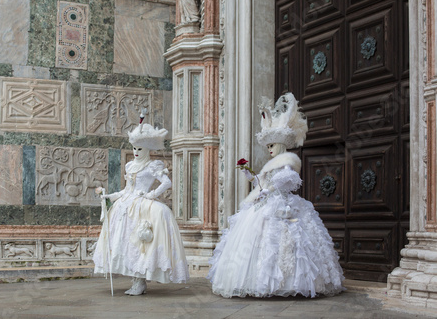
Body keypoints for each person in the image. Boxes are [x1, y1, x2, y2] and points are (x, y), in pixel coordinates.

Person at [207, 92, 344, 298]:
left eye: (272, 146)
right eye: (268, 146)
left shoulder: (287, 160)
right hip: (265, 204)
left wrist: (271, 189)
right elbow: (262, 182)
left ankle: (287, 282)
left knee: (288, 242)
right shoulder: (271, 164)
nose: (269, 150)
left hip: (282, 204)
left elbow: (289, 179)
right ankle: (262, 281)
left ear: (279, 144)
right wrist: (249, 174)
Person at [93, 116, 189, 296]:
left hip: (141, 206)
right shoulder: (130, 166)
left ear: (146, 150)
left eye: (140, 149)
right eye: (134, 148)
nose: (136, 152)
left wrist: (151, 195)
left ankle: (141, 281)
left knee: (141, 243)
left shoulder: (152, 165)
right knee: (126, 243)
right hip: (124, 207)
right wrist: (110, 196)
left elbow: (166, 182)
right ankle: (135, 280)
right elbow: (126, 190)